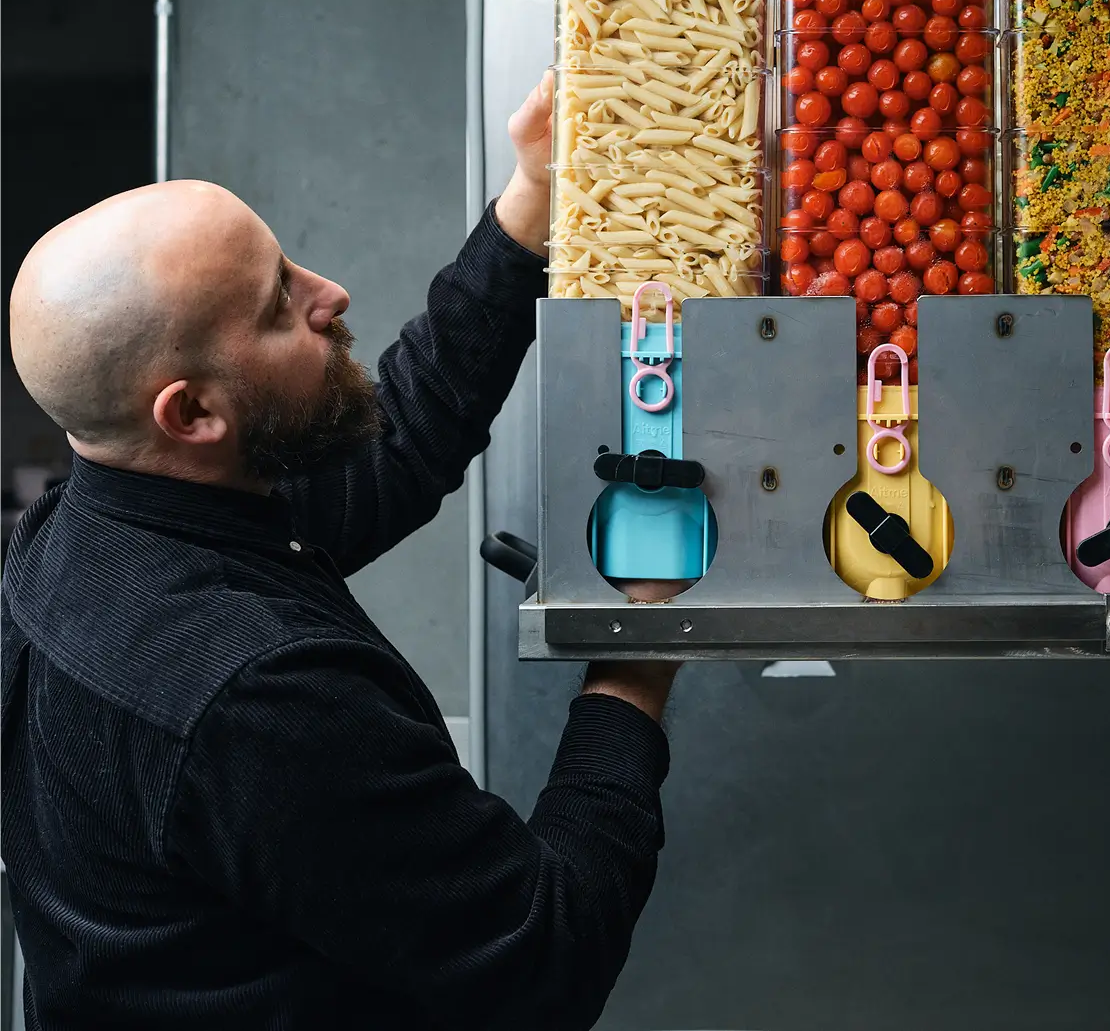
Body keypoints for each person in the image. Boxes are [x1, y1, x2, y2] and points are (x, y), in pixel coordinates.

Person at [3, 75, 679, 1029]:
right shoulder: (253, 698)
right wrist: (633, 665)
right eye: (280, 303)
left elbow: (391, 445)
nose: (330, 293)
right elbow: (540, 954)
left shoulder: (92, 530)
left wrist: (531, 198)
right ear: (192, 412)